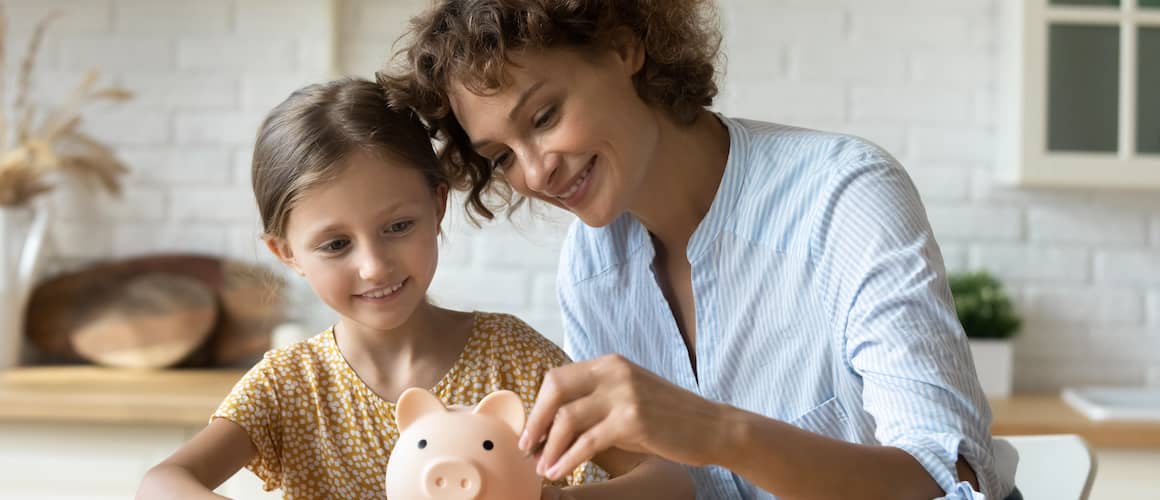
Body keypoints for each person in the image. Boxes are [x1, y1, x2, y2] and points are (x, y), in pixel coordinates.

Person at [380, 1, 1018, 499]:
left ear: (623, 47)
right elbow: (679, 486)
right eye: (502, 157)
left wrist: (714, 431)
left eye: (544, 117)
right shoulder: (592, 264)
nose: (536, 173)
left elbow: (948, 482)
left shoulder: (841, 196)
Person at [134, 78, 693, 500]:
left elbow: (669, 481)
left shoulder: (512, 361)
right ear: (286, 254)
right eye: (335, 245)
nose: (375, 267)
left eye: (397, 227)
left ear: (437, 206)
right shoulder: (288, 386)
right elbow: (162, 482)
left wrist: (545, 497)